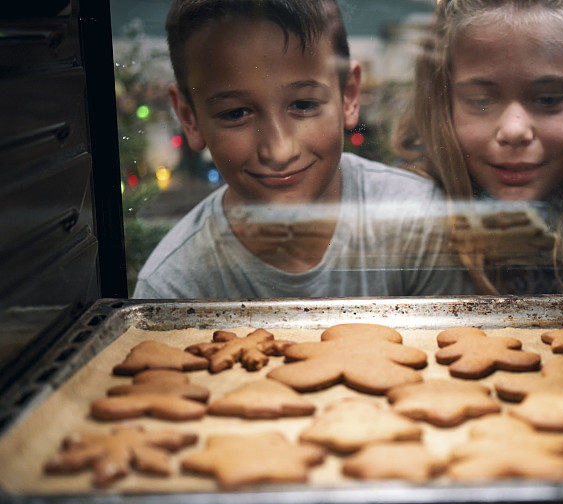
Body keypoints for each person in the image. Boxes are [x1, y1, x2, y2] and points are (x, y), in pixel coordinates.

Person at [133, 0, 474, 299]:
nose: (279, 150)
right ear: (189, 118)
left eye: (304, 104)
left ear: (348, 96)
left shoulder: (419, 220)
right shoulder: (173, 285)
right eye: (236, 113)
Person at [393, 0, 563, 294]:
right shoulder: (407, 211)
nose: (514, 130)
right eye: (480, 101)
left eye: (548, 99)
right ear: (443, 102)